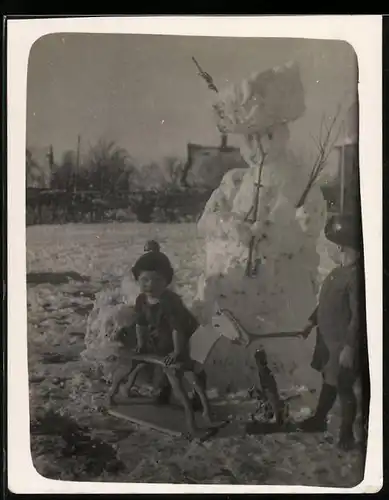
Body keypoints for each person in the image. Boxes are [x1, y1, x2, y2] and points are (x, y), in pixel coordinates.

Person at [297, 214, 369, 451]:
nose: (326, 249)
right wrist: (311, 321)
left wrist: (349, 346)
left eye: (328, 245)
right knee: (330, 382)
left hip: (342, 345)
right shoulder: (337, 272)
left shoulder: (355, 277)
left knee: (344, 388)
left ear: (341, 247)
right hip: (328, 341)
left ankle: (347, 435)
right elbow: (326, 303)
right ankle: (319, 419)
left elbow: (359, 316)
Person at [131, 242, 207, 408]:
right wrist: (142, 343)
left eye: (157, 280)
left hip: (186, 335)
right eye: (145, 280)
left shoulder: (170, 301)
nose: (150, 285)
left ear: (167, 281)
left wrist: (178, 351)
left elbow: (178, 328)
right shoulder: (141, 300)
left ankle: (198, 397)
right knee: (163, 361)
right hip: (165, 335)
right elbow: (141, 323)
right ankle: (163, 391)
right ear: (137, 279)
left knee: (189, 366)